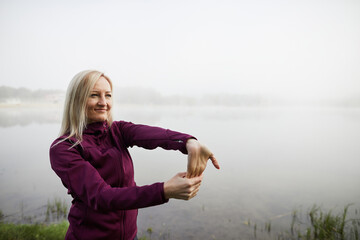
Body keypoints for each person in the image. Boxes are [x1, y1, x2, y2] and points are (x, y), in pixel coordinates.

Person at [49, 70, 220, 240]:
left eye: (108, 95)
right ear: (76, 100)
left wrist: (189, 142)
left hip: (130, 236)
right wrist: (163, 190)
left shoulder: (118, 130)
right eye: (94, 95)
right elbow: (101, 197)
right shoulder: (64, 148)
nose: (104, 102)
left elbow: (154, 135)